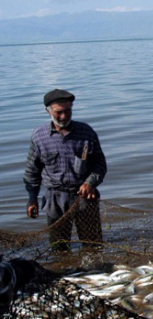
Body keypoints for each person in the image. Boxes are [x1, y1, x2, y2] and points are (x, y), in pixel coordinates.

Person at [23, 89, 108, 251]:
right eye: (58, 112)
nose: (63, 116)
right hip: (54, 198)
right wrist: (32, 198)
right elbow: (32, 172)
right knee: (58, 247)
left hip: (84, 197)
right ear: (47, 111)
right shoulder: (39, 136)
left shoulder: (86, 132)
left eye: (67, 111)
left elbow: (100, 165)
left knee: (93, 245)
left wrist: (90, 182)